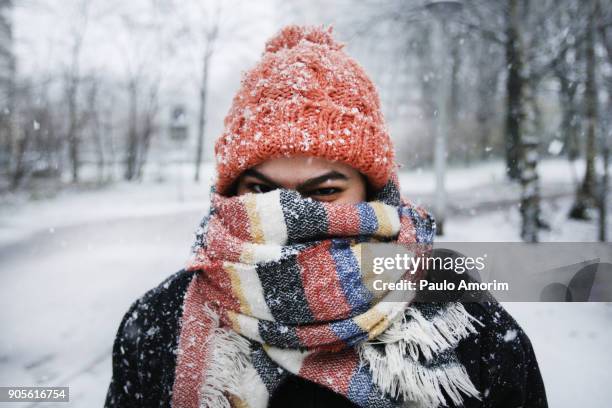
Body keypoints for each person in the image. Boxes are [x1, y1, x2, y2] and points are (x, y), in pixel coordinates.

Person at [104, 25, 547, 408]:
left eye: (325, 192)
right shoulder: (163, 324)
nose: (289, 212)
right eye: (260, 190)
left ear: (374, 194)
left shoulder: (461, 318)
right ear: (230, 193)